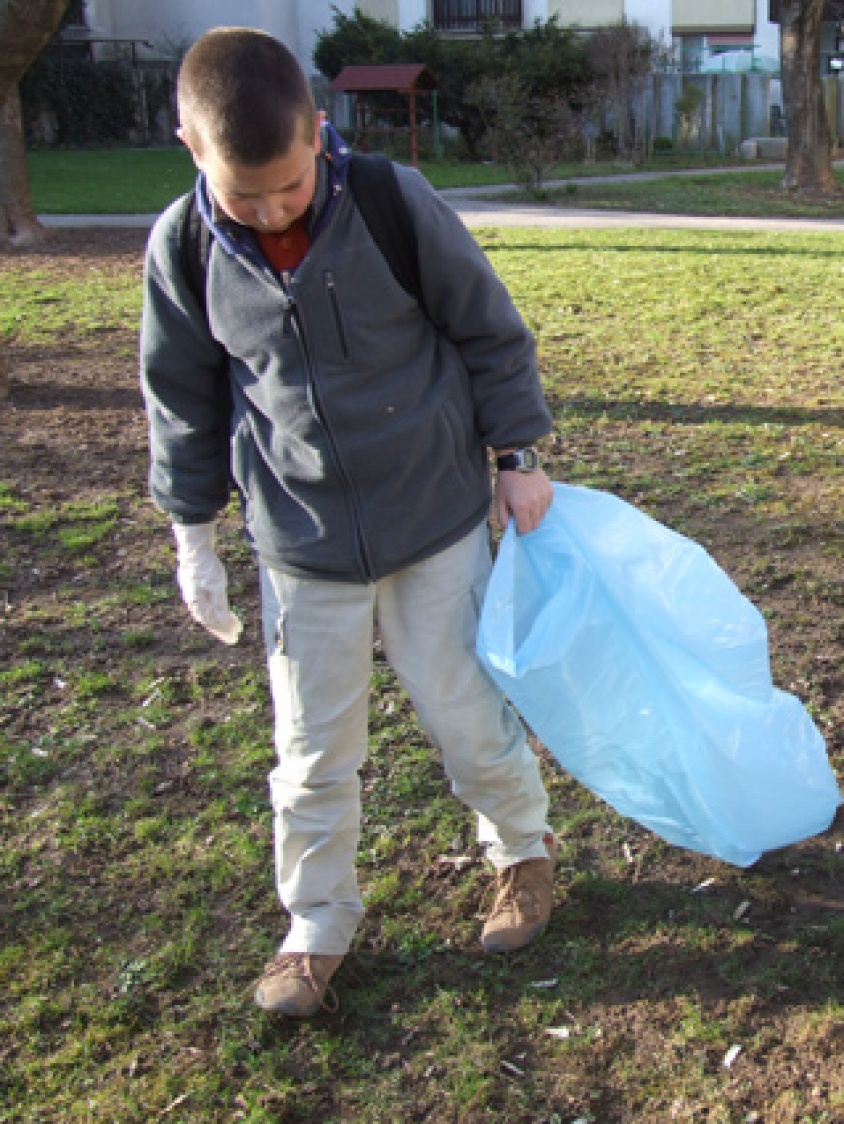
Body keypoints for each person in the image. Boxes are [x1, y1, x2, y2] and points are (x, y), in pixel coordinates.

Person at [140, 27, 558, 1018]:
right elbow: (181, 397)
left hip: (436, 517)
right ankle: (317, 920)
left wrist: (519, 456)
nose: (276, 208)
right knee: (311, 750)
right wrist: (190, 531)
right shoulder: (184, 248)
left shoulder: (386, 199)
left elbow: (487, 327)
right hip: (302, 547)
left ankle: (524, 852)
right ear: (190, 149)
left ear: (318, 133)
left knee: (466, 711)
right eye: (250, 195)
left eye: (291, 181)